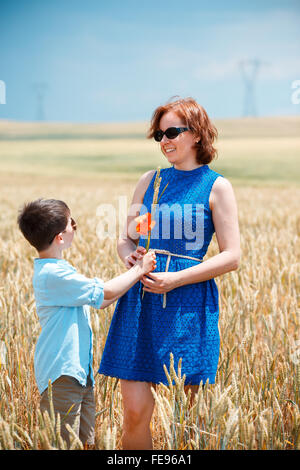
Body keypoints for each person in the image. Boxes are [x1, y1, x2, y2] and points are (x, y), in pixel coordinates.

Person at [98, 97, 241, 450]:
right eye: (159, 134)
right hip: (140, 302)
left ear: (197, 135)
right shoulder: (150, 181)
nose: (164, 141)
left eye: (173, 132)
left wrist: (175, 279)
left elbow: (233, 256)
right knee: (133, 413)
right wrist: (129, 256)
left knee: (187, 419)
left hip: (189, 303)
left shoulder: (216, 186)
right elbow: (126, 237)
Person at [17, 198, 156, 449]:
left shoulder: (59, 270)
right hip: (61, 374)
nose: (75, 225)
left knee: (83, 443)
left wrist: (134, 267)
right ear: (60, 237)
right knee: (62, 443)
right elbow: (106, 294)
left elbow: (103, 297)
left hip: (78, 372)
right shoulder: (53, 275)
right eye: (72, 223)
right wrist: (139, 270)